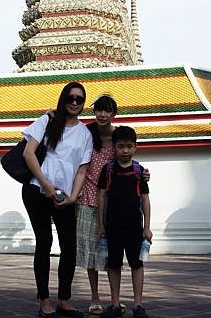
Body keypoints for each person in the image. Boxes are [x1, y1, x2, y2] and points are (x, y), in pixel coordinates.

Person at [22, 81, 93, 318]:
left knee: (69, 247)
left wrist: (72, 197)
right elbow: (28, 153)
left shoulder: (85, 133)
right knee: (44, 242)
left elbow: (82, 169)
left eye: (79, 99)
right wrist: (45, 185)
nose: (74, 102)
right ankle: (44, 300)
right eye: (70, 98)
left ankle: (64, 299)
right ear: (63, 99)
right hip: (37, 190)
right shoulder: (47, 121)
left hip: (64, 196)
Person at [75, 96, 150, 316]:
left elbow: (130, 165)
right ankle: (96, 297)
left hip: (115, 203)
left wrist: (143, 173)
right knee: (91, 250)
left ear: (113, 114)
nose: (102, 115)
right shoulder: (85, 133)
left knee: (112, 256)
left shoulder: (120, 136)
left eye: (107, 111)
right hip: (88, 196)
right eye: (98, 110)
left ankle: (121, 301)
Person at [97, 126, 152, 318]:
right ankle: (114, 303)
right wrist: (101, 225)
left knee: (137, 264)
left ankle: (138, 304)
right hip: (112, 226)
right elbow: (102, 197)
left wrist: (147, 227)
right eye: (121, 146)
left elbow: (145, 199)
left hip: (134, 226)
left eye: (129, 146)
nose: (125, 151)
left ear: (135, 147)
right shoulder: (108, 170)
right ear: (114, 148)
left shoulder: (138, 171)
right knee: (114, 264)